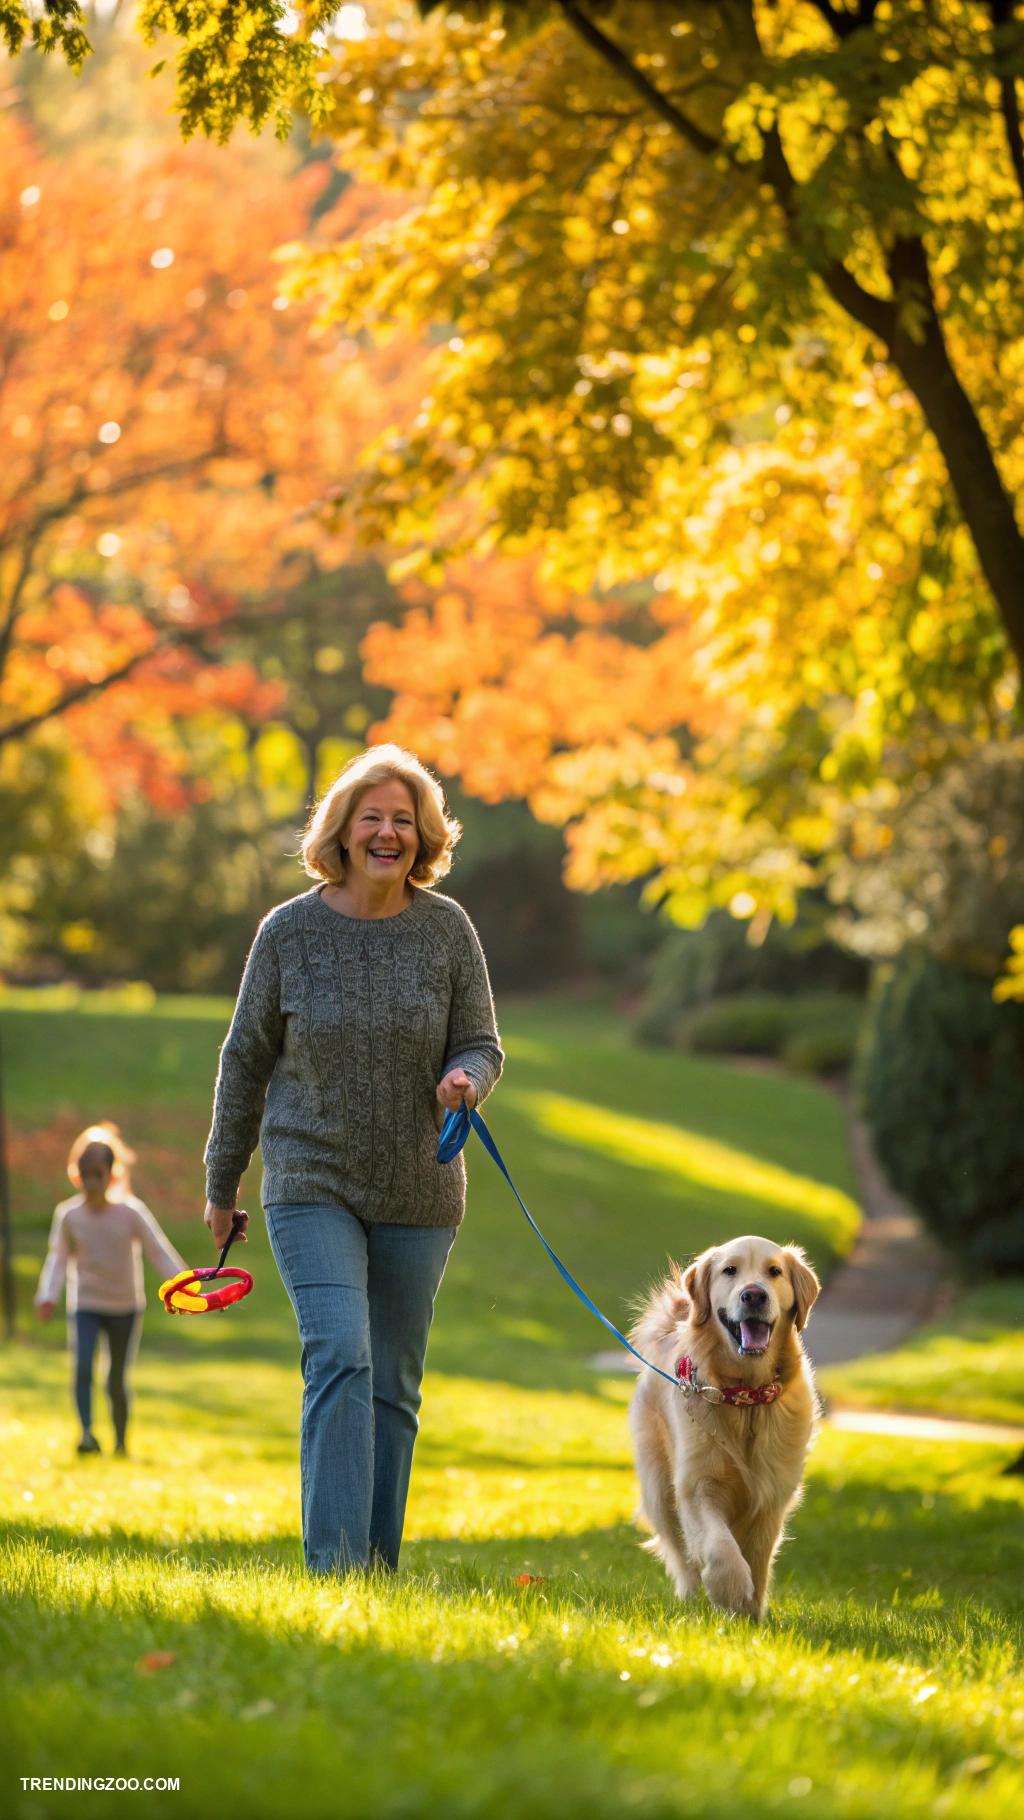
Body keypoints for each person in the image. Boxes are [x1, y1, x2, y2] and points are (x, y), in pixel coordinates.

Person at [203, 743, 504, 1577]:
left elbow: (481, 1042)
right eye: (372, 817)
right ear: (340, 830)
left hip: (419, 1188)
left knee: (392, 1385)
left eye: (404, 819)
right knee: (340, 1351)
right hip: (311, 1181)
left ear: (424, 836)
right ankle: (334, 1569)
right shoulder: (288, 933)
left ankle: (374, 1569)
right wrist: (222, 1183)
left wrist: (466, 1078)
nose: (387, 833)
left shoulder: (447, 930)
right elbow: (244, 1061)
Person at [35, 1123, 186, 1456]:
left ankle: (120, 1442)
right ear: (76, 1175)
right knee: (82, 1368)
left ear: (112, 1174)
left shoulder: (130, 1213)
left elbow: (158, 1251)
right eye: (85, 1174)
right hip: (86, 1305)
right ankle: (87, 1435)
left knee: (116, 1378)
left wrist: (185, 1284)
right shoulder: (69, 1216)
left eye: (98, 1174)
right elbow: (57, 1260)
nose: (91, 1182)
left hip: (125, 1307)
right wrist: (47, 1295)